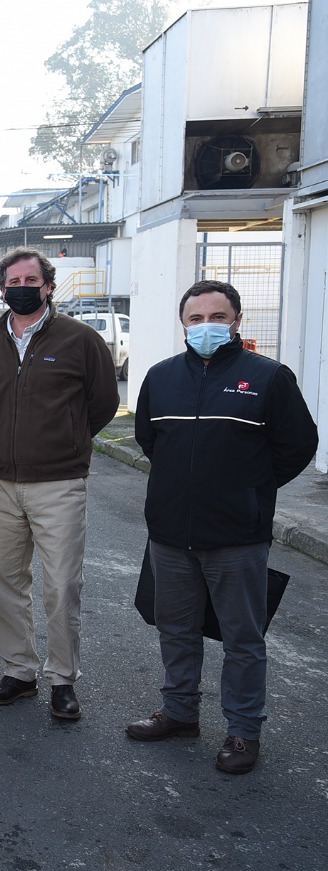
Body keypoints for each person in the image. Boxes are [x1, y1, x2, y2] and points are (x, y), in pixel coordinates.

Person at [127, 280, 316, 774]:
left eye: (218, 316)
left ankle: (242, 731)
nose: (206, 326)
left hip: (237, 535)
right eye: (196, 318)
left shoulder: (269, 378)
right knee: (176, 628)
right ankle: (180, 712)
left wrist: (249, 489)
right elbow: (150, 439)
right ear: (183, 324)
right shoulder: (161, 377)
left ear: (236, 320)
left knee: (242, 638)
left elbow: (297, 446)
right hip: (170, 533)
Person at [0, 247, 119, 720]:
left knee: (61, 584)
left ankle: (63, 679)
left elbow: (101, 405)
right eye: (11, 280)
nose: (20, 287)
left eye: (30, 280)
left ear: (49, 286)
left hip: (58, 483)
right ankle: (19, 672)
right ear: (1, 288)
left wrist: (67, 444)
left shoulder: (81, 339)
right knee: (4, 579)